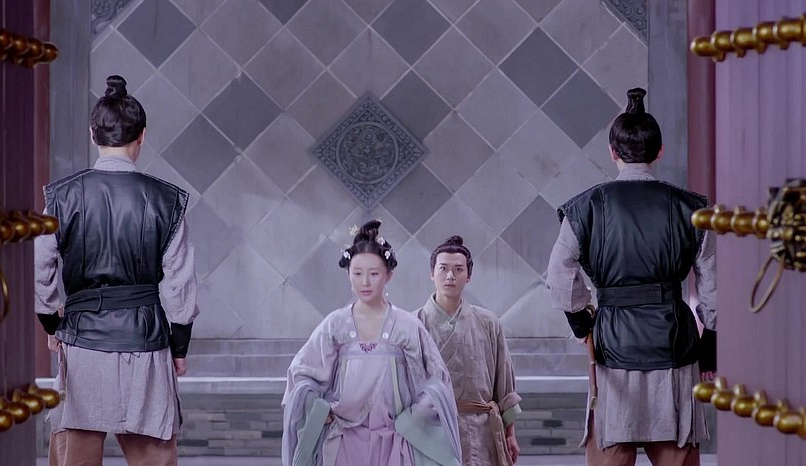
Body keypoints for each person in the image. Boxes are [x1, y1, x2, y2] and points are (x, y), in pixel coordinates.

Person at [546, 88, 717, 466]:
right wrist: (711, 342)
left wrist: (580, 321)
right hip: (674, 346)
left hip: (612, 346)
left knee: (611, 455)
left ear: (612, 152)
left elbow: (558, 273)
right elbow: (714, 286)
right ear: (660, 152)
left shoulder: (586, 207)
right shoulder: (692, 209)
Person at [34, 75, 198, 466]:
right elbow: (180, 284)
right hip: (146, 340)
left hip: (82, 339)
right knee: (154, 455)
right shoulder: (166, 200)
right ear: (142, 136)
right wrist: (179, 348)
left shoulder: (61, 196)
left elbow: (42, 268)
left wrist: (52, 324)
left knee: (76, 453)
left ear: (93, 135)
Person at [282, 220, 461, 466]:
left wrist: (413, 419)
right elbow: (301, 374)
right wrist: (316, 407)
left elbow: (436, 379)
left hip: (396, 441)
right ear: (348, 274)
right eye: (357, 274)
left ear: (388, 275)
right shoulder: (335, 325)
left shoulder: (406, 326)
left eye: (374, 274)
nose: (365, 282)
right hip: (342, 440)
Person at [415, 236, 522, 466]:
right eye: (443, 268)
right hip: (431, 429)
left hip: (480, 429)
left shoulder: (488, 323)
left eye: (458, 269)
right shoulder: (414, 324)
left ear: (469, 276)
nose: (450, 276)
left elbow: (504, 383)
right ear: (432, 273)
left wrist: (510, 433)